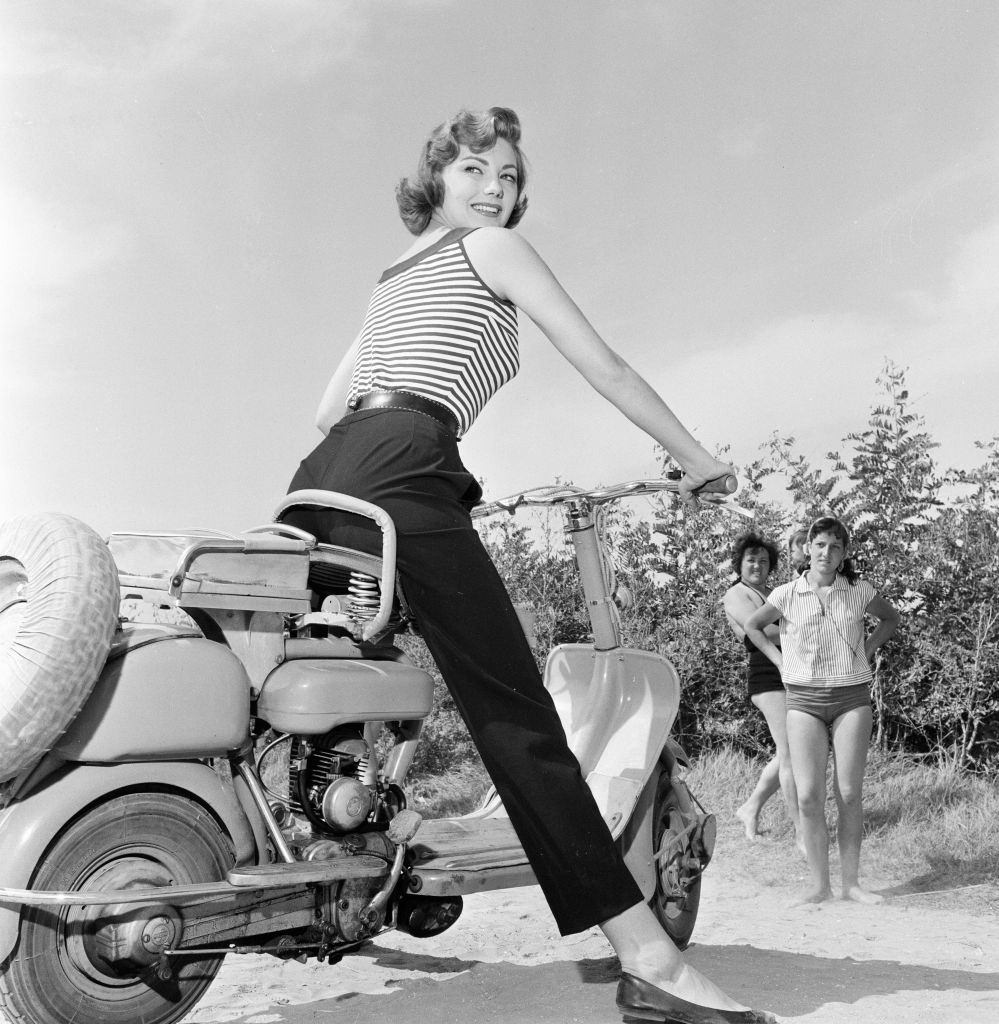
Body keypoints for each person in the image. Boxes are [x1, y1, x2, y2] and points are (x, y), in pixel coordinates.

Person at [285, 107, 773, 1023]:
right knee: (515, 717)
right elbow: (606, 364)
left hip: (320, 482)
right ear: (438, 176)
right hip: (407, 470)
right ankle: (648, 960)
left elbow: (327, 412)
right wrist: (697, 458)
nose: (498, 192)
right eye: (477, 169)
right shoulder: (493, 251)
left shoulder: (389, 277)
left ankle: (340, 855)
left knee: (341, 683)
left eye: (509, 180)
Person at [744, 517, 900, 906]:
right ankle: (819, 886)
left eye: (834, 547)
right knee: (809, 796)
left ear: (844, 554)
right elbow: (753, 625)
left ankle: (851, 885)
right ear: (807, 548)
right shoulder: (785, 593)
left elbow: (891, 619)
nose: (825, 553)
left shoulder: (860, 591)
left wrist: (865, 652)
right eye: (819, 545)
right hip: (803, 702)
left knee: (848, 792)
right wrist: (779, 661)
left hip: (851, 699)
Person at [721, 533, 801, 849]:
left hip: (794, 669)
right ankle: (801, 831)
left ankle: (750, 807)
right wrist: (792, 620)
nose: (757, 565)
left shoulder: (772, 592)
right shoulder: (736, 594)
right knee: (792, 753)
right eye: (751, 559)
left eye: (764, 561)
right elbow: (764, 629)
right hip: (767, 673)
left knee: (788, 752)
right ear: (740, 563)